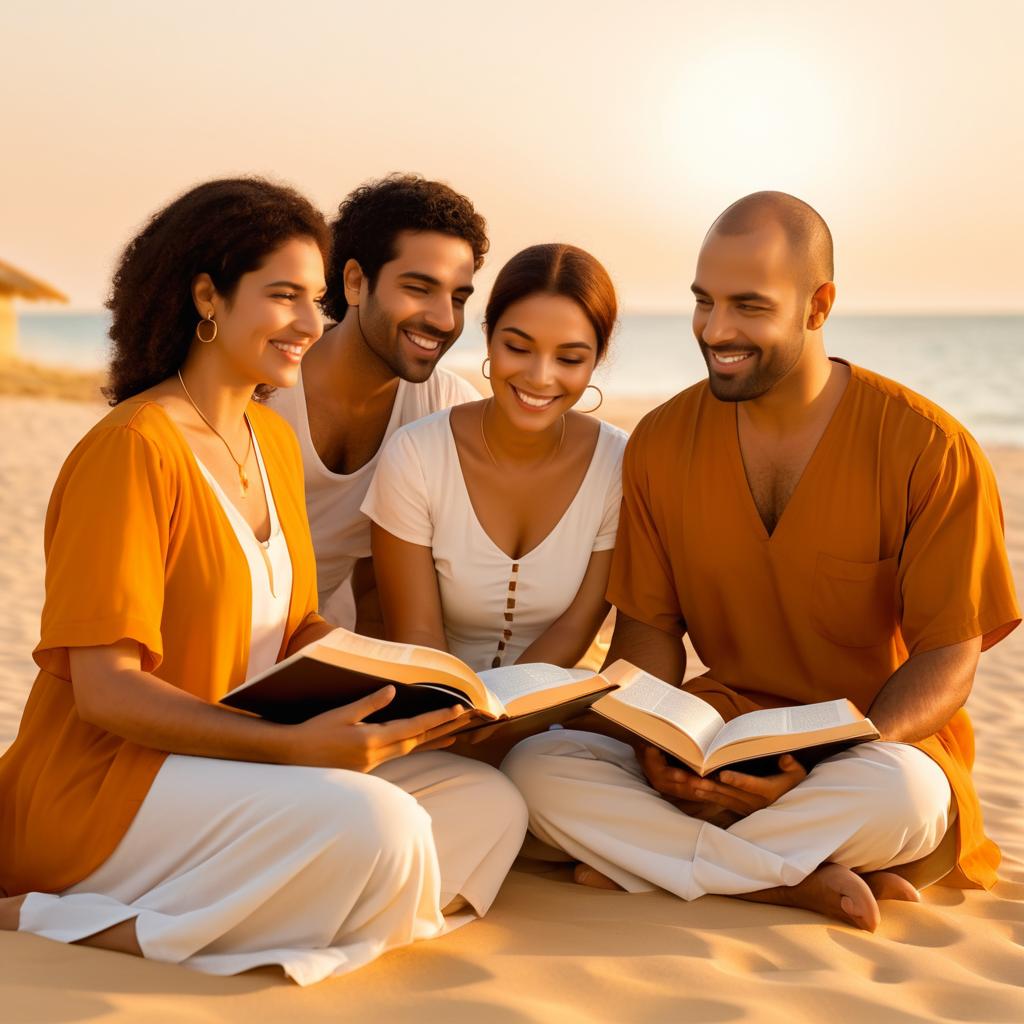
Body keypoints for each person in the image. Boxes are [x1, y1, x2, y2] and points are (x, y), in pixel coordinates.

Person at [0, 178, 527, 985]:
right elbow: (105, 692)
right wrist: (287, 750)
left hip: (239, 762)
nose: (312, 325)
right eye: (284, 296)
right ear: (207, 295)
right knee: (381, 828)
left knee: (488, 808)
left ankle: (283, 912)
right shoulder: (133, 448)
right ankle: (68, 919)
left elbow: (298, 630)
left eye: (316, 300)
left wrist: (408, 690)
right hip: (109, 782)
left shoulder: (266, 440)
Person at [502, 192, 1020, 931]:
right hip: (715, 741)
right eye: (703, 302)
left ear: (818, 306)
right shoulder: (660, 441)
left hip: (872, 751)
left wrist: (822, 763)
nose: (716, 330)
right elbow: (648, 632)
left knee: (908, 800)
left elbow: (947, 660)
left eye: (748, 305)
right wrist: (656, 743)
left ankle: (662, 860)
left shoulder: (929, 449)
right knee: (538, 770)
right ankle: (785, 881)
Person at [362, 243, 627, 672]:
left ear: (597, 359)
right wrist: (465, 722)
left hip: (551, 709)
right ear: (488, 336)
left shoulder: (620, 465)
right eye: (518, 348)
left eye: (570, 358)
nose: (540, 377)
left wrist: (506, 719)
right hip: (436, 704)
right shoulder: (416, 456)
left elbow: (575, 629)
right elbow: (417, 634)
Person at [268, 174, 486, 630]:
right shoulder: (265, 387)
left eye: (458, 297)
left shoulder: (447, 409)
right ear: (354, 282)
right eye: (419, 288)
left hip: (322, 645)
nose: (445, 319)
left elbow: (381, 584)